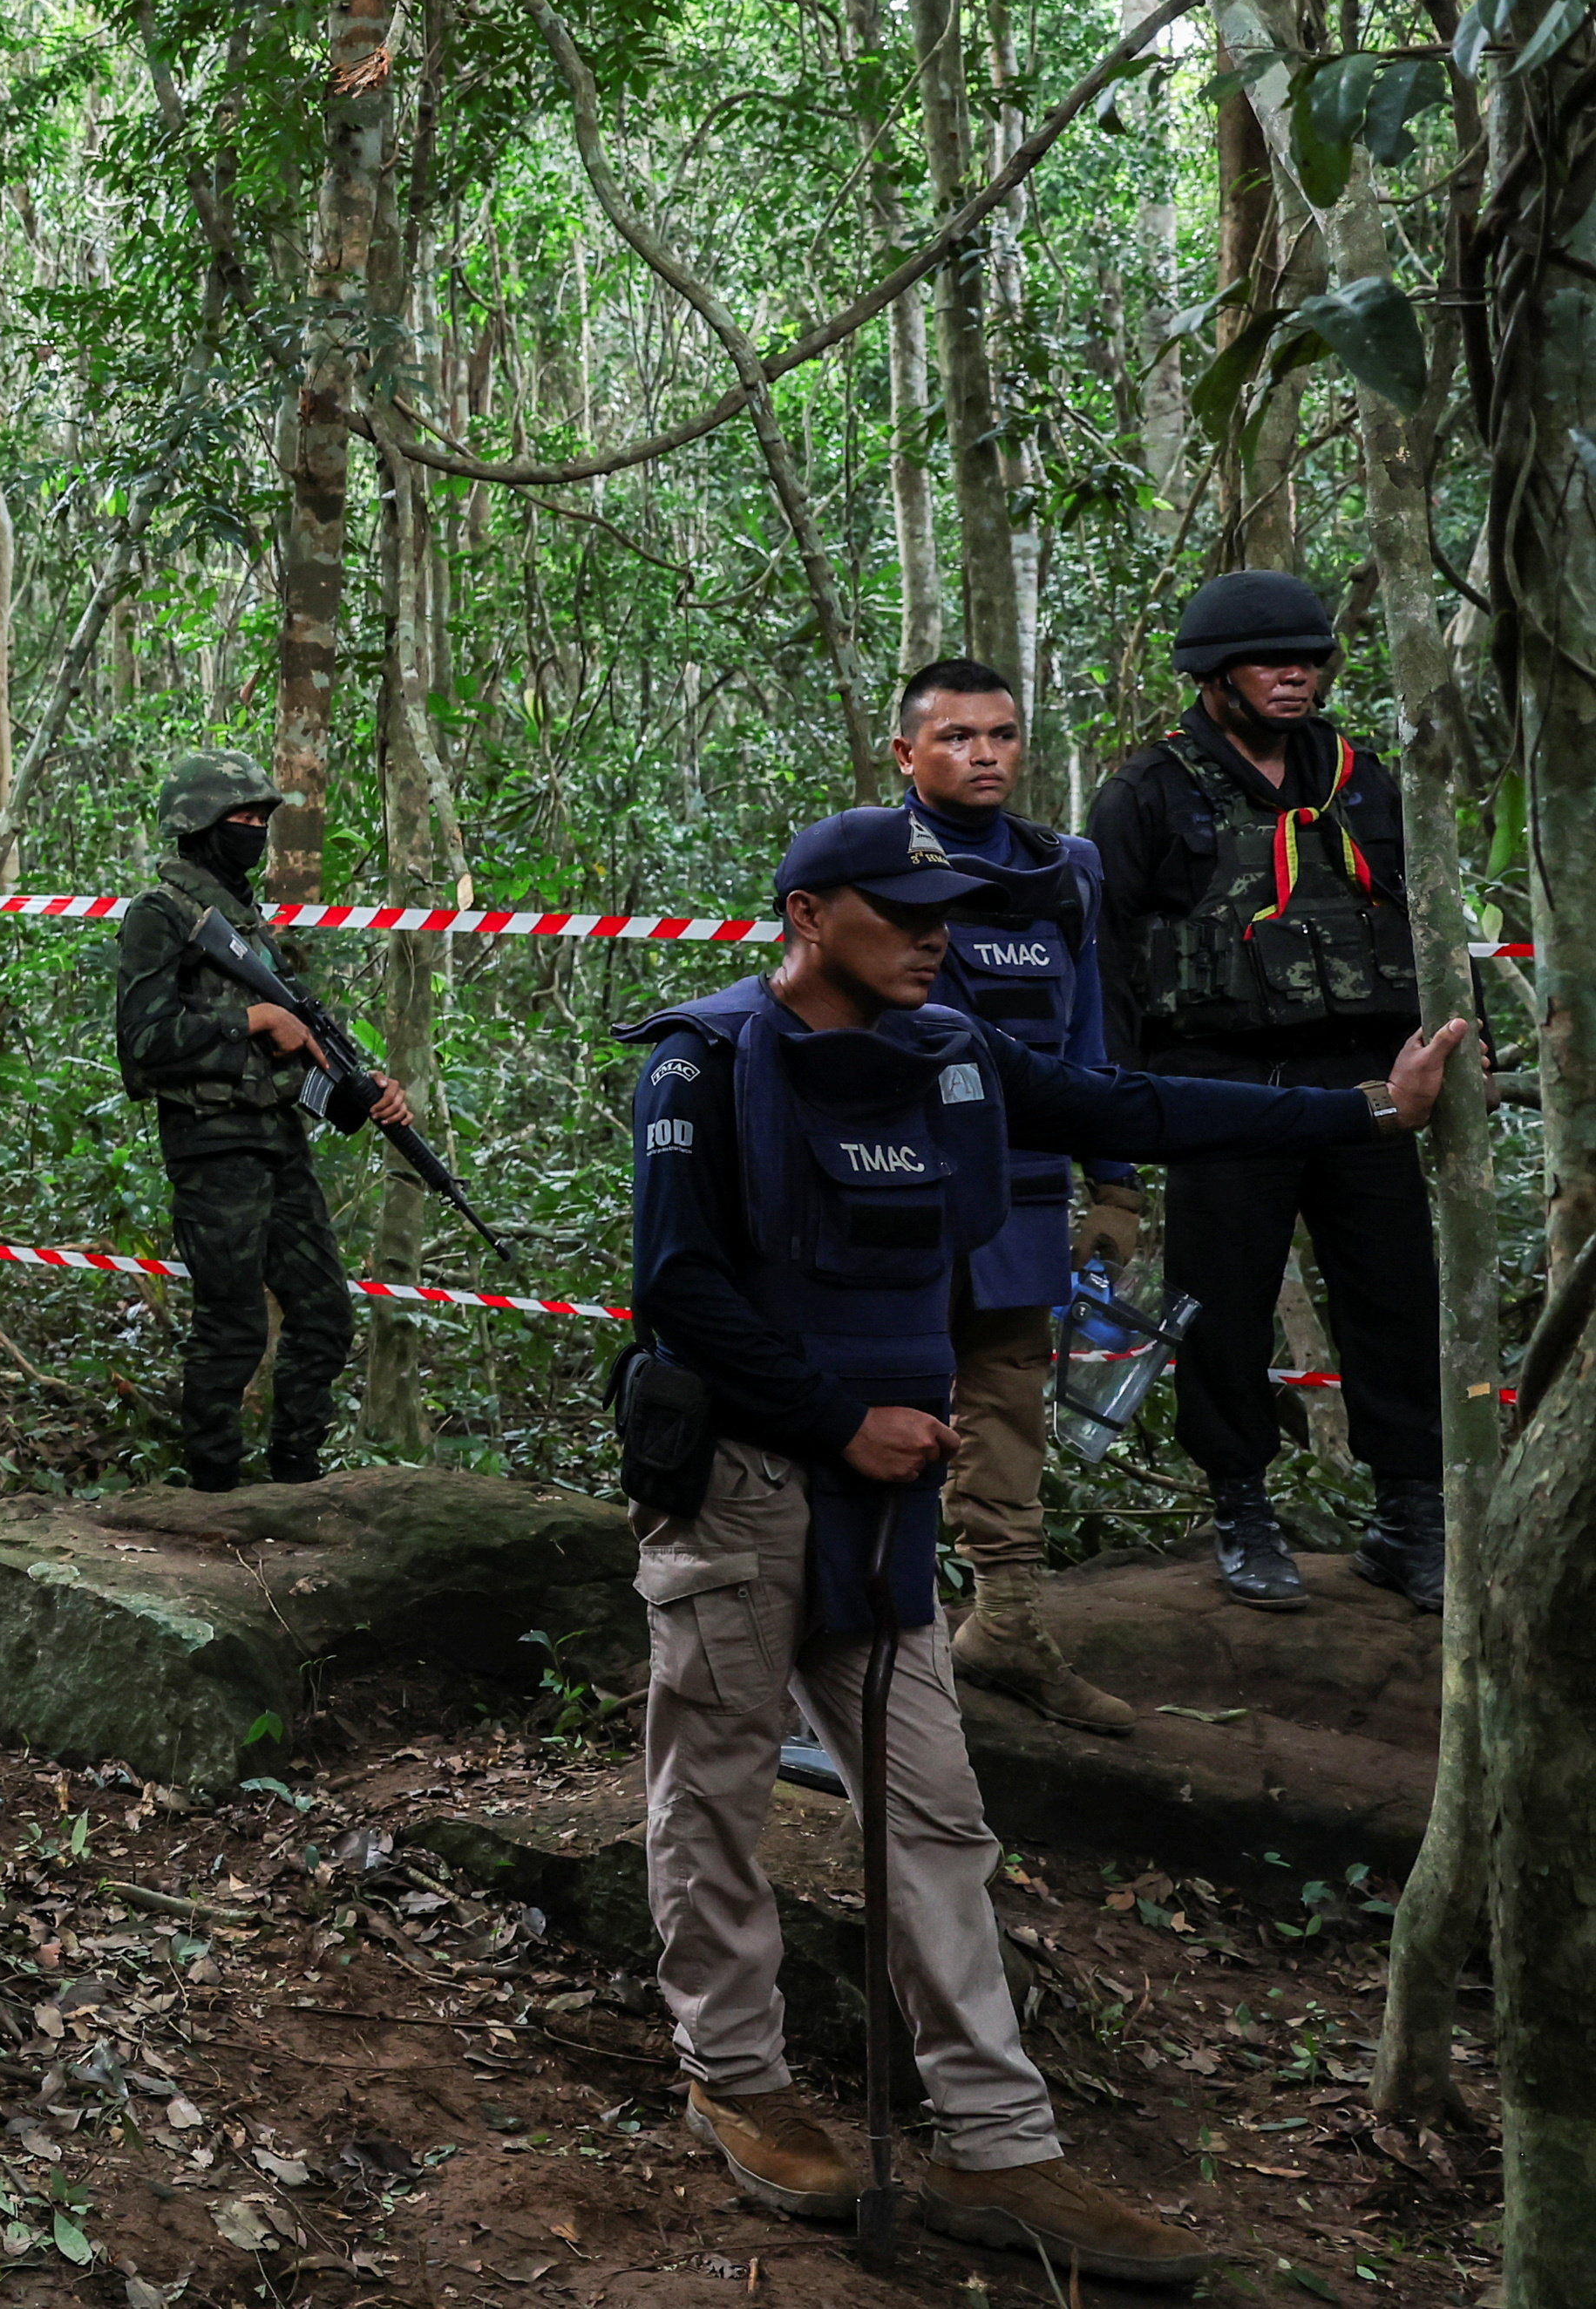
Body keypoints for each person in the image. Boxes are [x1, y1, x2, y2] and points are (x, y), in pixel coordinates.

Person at [615, 806, 1465, 2283]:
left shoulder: (952, 1049)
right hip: (751, 1484)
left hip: (887, 1499)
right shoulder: (703, 1061)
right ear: (810, 914)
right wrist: (836, 1415)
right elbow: (682, 1287)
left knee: (937, 1813)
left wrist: (1361, 1110)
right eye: (902, 910)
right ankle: (735, 2079)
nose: (936, 932)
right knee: (719, 1792)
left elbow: (1129, 1106)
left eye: (948, 909)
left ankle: (998, 2146)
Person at [1084, 572, 1446, 1612]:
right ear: (1210, 675)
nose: (1293, 675)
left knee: (1392, 1295)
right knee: (1221, 1307)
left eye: (1308, 659)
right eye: (1266, 661)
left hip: (1364, 1085)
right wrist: (1111, 1121)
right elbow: (1104, 960)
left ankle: (1406, 1515)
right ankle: (1239, 1506)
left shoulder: (1362, 780)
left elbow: (1423, 923)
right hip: (1215, 1084)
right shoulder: (1147, 792)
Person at [890, 660, 1138, 1731]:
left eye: (999, 734)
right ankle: (857, 1646)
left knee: (1005, 1408)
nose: (982, 753)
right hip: (892, 1188)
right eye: (954, 737)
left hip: (1022, 1187)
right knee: (876, 1408)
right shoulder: (860, 859)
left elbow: (1087, 1032)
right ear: (904, 753)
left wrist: (1115, 1183)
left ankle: (1004, 1625)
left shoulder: (1066, 871)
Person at [110, 750, 411, 1490]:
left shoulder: (249, 924)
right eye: (238, 819)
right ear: (198, 825)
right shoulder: (162, 915)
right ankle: (214, 1490)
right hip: (213, 1149)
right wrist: (250, 1018)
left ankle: (294, 1482)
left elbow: (301, 1052)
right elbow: (142, 1046)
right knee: (233, 1326)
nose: (253, 831)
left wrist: (362, 1087)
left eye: (259, 819)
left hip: (279, 1141)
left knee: (325, 1317)